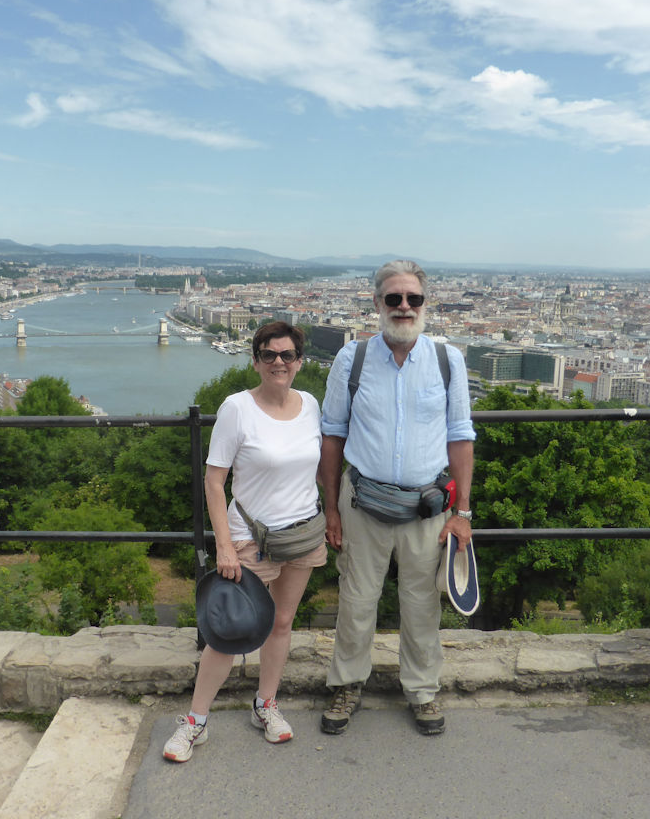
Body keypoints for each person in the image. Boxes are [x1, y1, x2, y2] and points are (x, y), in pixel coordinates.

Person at [318, 260, 475, 736]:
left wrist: (463, 512)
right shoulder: (353, 359)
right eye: (394, 299)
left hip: (427, 506)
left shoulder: (448, 360)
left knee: (423, 603)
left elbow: (460, 437)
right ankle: (347, 684)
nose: (404, 307)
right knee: (356, 599)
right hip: (363, 501)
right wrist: (330, 508)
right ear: (377, 304)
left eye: (413, 299)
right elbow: (332, 435)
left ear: (426, 304)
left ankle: (423, 690)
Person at [163, 320, 327, 762]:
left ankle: (266, 705)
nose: (278, 362)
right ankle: (195, 721)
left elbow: (315, 467)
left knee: (281, 622)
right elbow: (214, 481)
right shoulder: (238, 408)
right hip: (250, 538)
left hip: (302, 533)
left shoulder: (310, 404)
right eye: (269, 354)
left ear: (298, 362)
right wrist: (223, 546)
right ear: (255, 361)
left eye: (287, 355)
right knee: (226, 629)